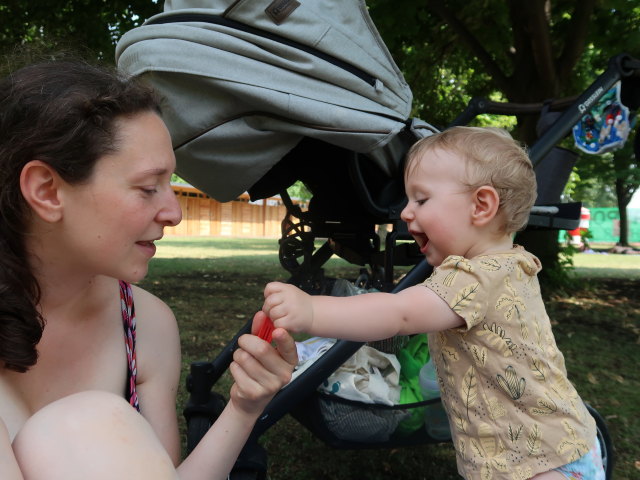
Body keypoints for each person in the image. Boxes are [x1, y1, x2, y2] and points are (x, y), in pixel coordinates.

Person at [0, 54, 297, 480]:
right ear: (47, 191)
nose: (174, 213)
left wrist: (244, 406)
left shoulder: (145, 324)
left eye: (170, 185)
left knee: (88, 423)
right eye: (147, 187)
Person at [262, 127, 605, 480]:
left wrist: (313, 310)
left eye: (421, 200)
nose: (406, 213)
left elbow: (399, 313)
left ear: (481, 205)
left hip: (539, 464)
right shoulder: (511, 264)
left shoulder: (473, 277)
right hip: (555, 446)